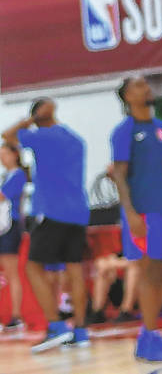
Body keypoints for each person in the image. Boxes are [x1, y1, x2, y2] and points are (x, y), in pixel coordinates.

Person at [2, 99, 92, 352]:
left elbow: (7, 135)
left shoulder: (41, 137)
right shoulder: (75, 139)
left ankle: (56, 326)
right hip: (78, 212)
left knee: (32, 267)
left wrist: (32, 120)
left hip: (52, 211)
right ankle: (81, 331)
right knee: (74, 271)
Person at [109, 76, 162, 361]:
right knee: (147, 271)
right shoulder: (124, 131)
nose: (147, 89)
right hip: (142, 212)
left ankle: (149, 335)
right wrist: (130, 212)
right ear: (128, 97)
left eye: (146, 85)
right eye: (140, 87)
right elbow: (119, 174)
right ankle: (150, 334)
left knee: (160, 272)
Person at [0, 142, 28, 330]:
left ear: (14, 154)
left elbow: (3, 197)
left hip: (11, 226)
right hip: (3, 226)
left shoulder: (18, 175)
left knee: (11, 272)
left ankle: (16, 315)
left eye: (4, 154)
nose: (2, 158)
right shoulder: (7, 176)